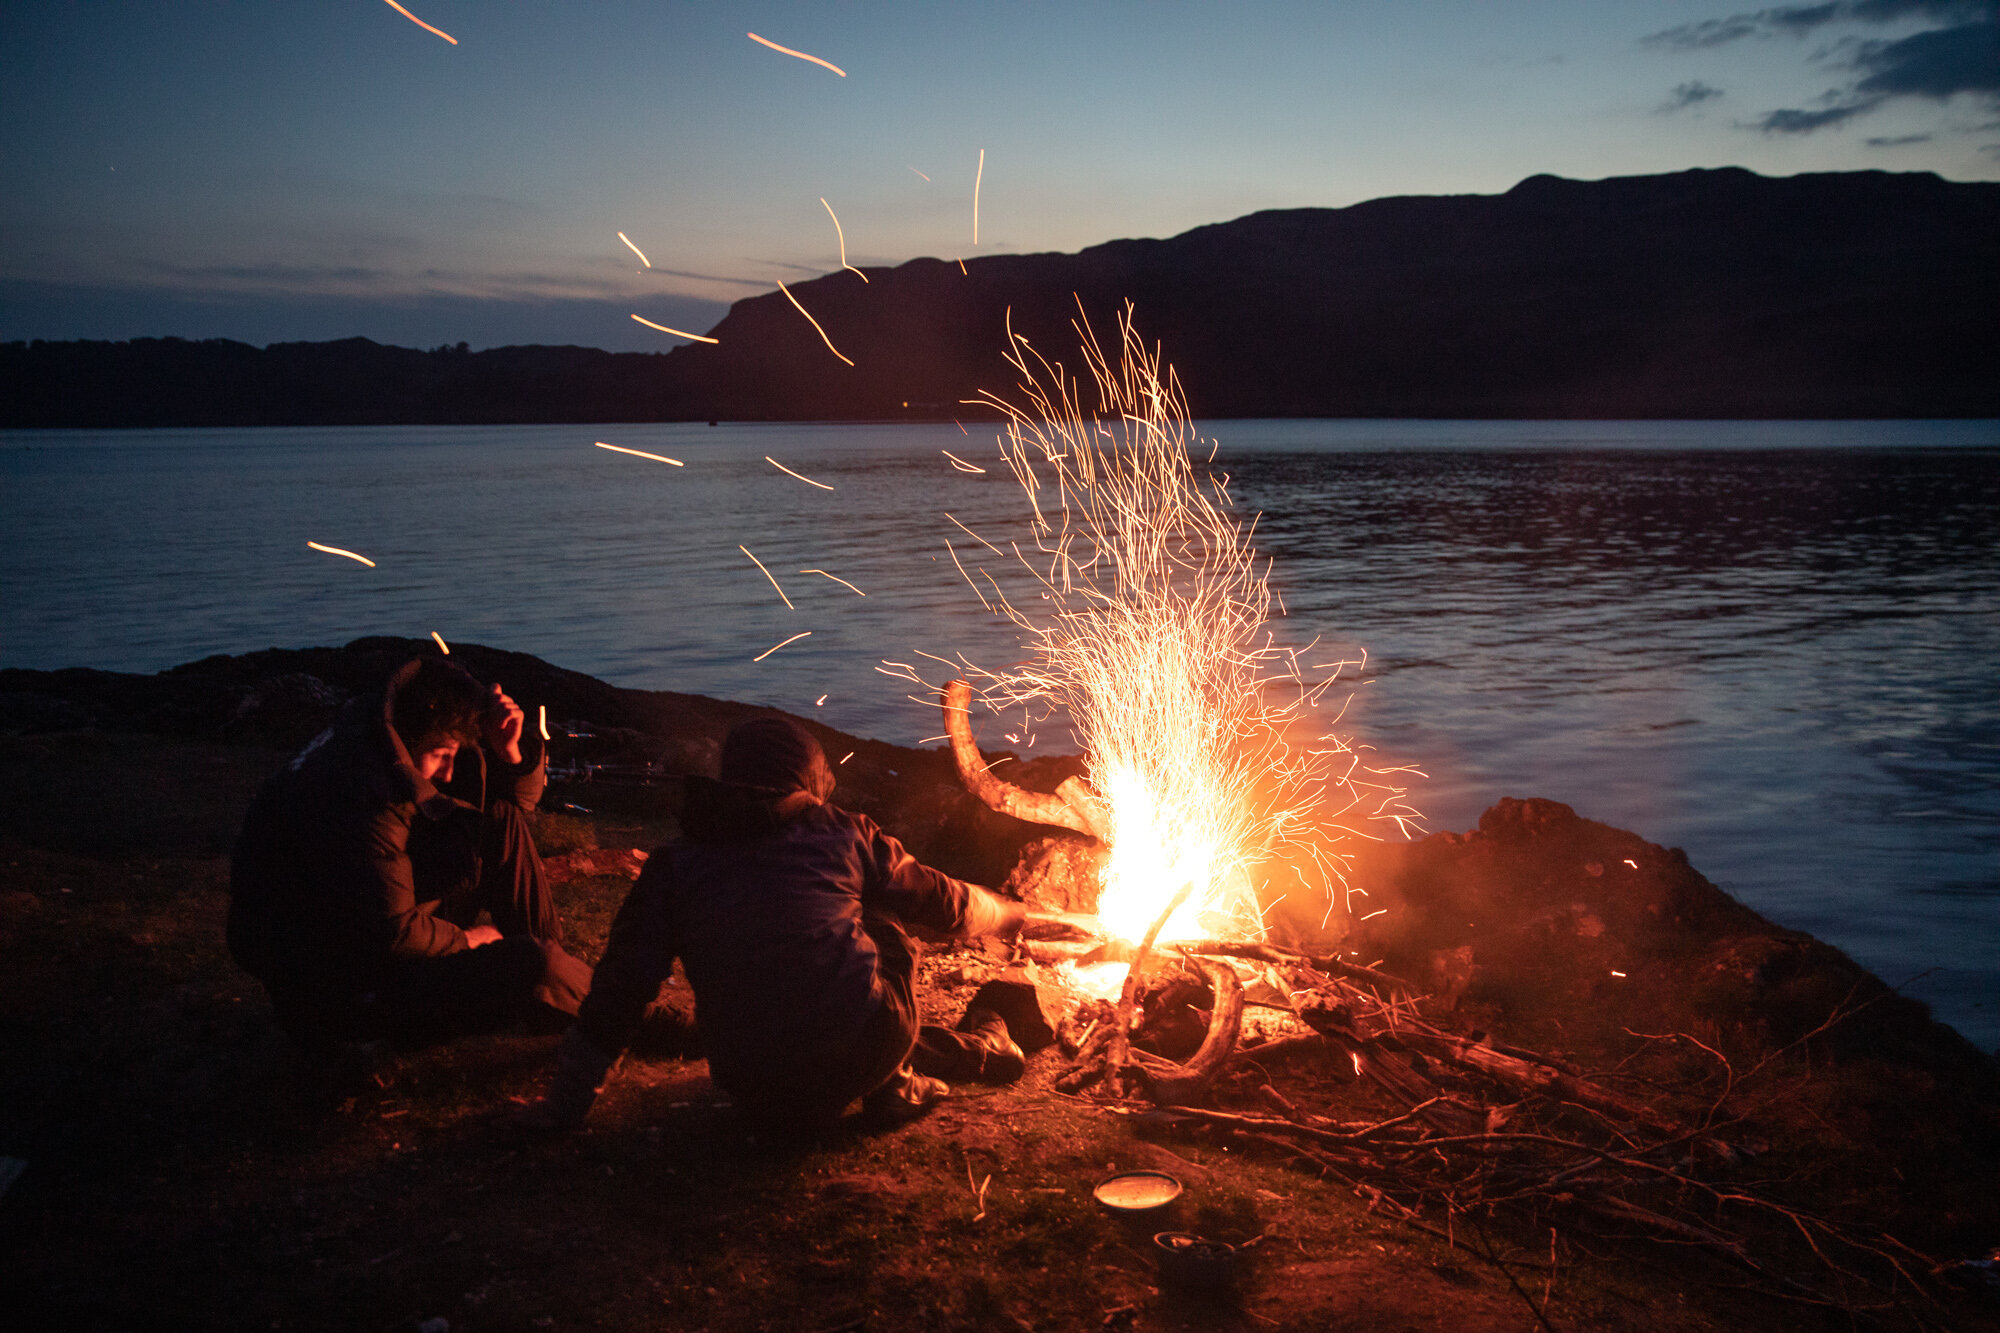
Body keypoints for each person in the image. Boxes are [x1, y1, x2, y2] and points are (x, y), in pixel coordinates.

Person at [527, 716, 1033, 1132]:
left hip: (749, 1078)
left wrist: (565, 1106)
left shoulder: (674, 863)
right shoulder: (845, 832)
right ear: (807, 777)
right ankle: (896, 1080)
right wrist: (1006, 912)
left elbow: (620, 987)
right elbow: (941, 900)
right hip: (865, 1053)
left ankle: (891, 1071)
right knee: (884, 901)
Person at [228, 658, 591, 1053]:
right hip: (337, 993)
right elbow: (393, 931)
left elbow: (513, 808)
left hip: (365, 934)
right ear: (414, 738)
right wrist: (470, 941)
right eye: (441, 755)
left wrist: (509, 755)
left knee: (498, 819)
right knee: (529, 964)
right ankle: (612, 1006)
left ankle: (558, 988)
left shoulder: (378, 740)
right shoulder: (364, 792)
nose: (449, 773)